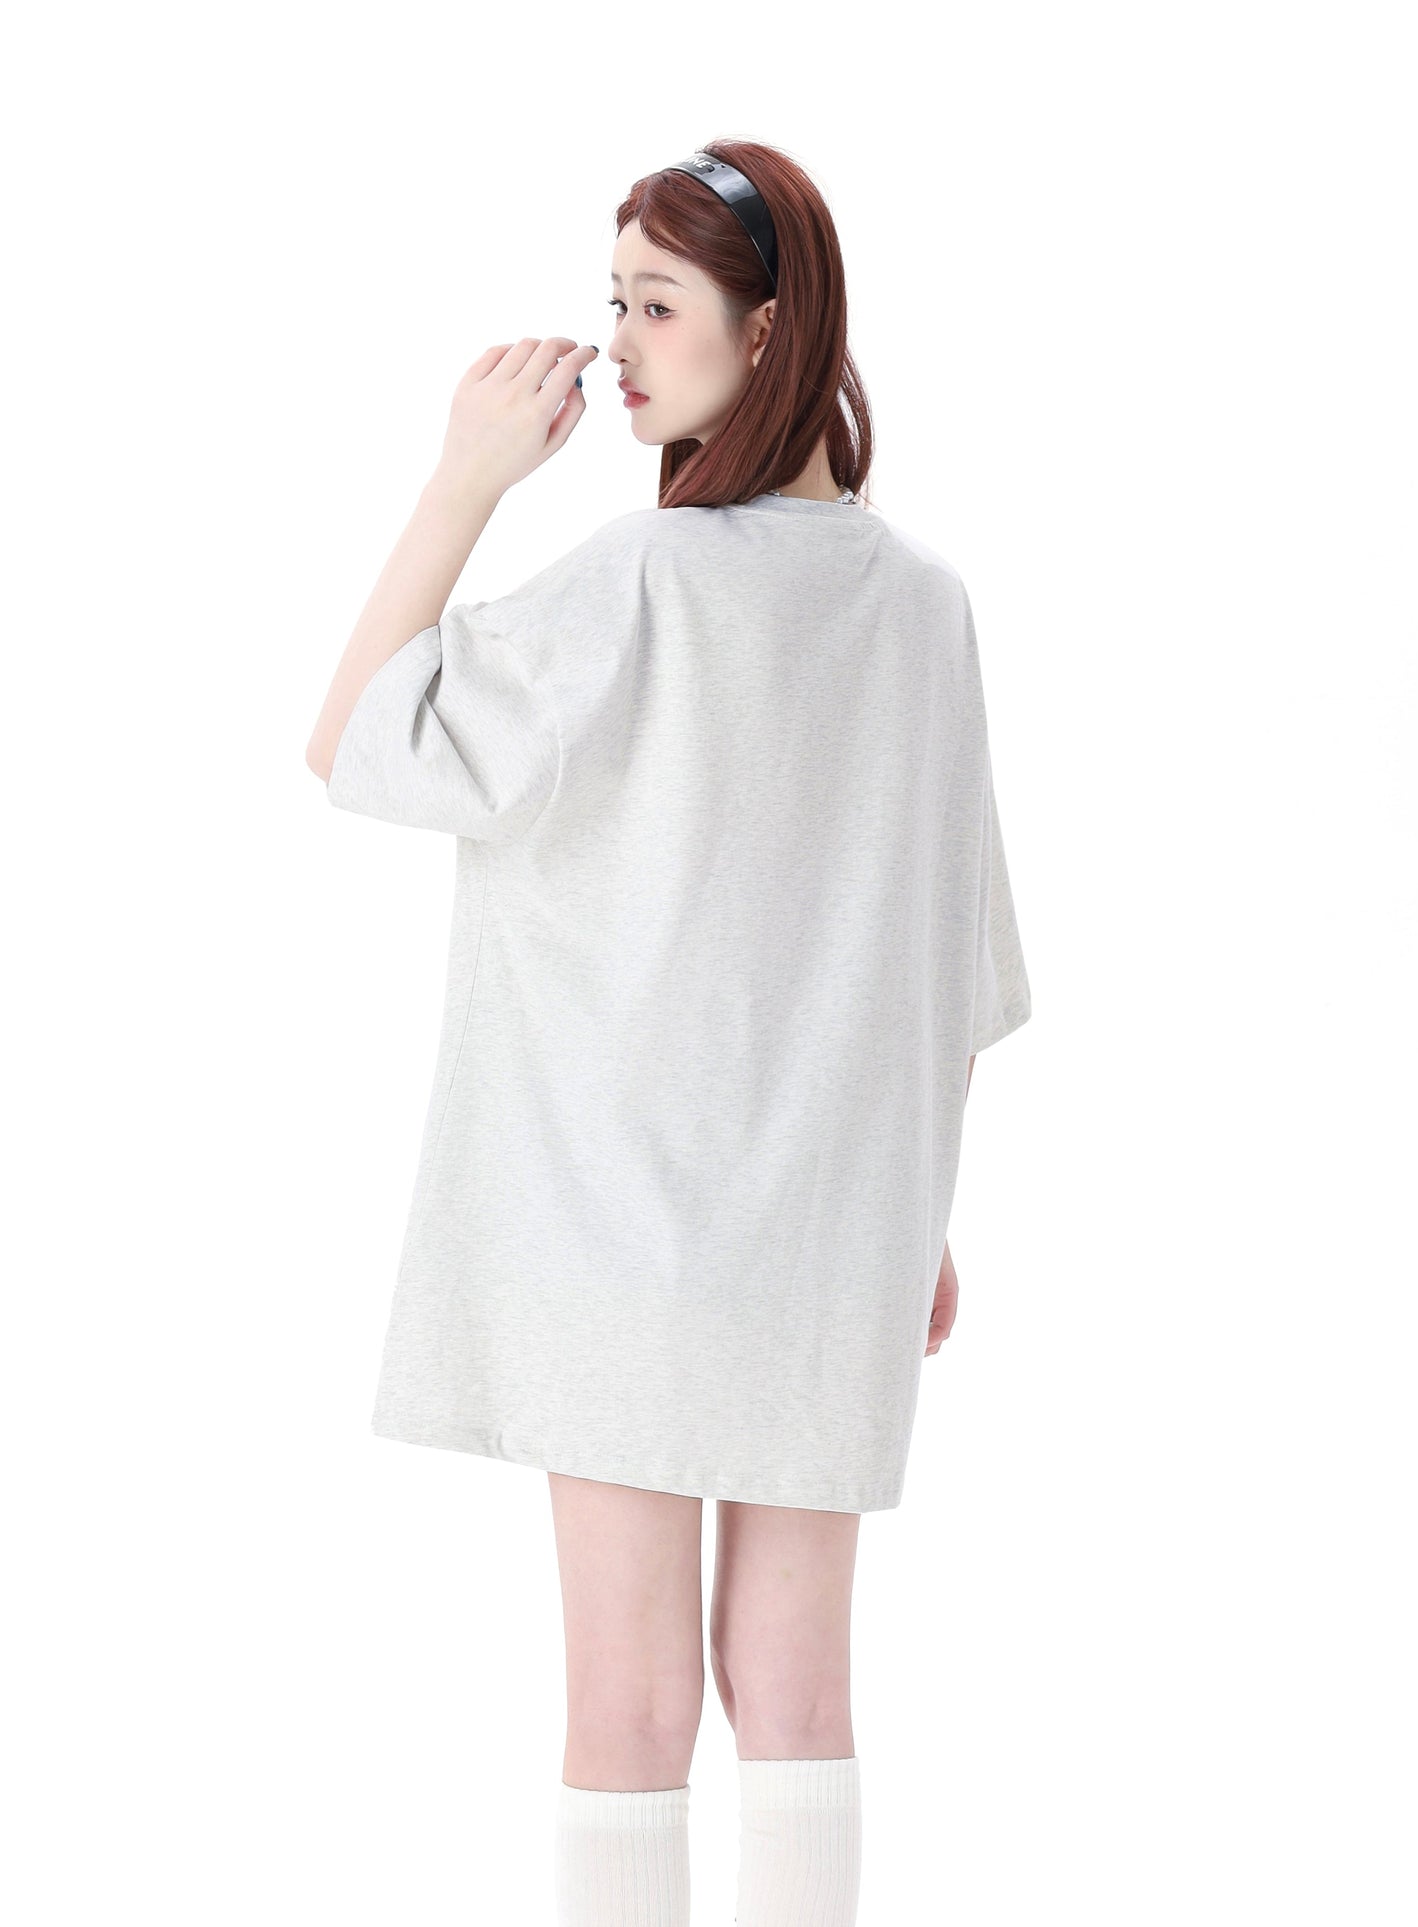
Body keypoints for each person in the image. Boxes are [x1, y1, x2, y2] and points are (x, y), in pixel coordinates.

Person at [305, 138, 1031, 1927]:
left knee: (626, 1709)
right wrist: (917, 1216)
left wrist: (466, 476)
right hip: (832, 1227)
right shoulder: (922, 605)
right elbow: (943, 954)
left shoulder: (641, 578)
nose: (615, 346)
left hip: (619, 1225)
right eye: (611, 301)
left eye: (654, 305)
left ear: (765, 329)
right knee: (797, 1693)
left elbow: (357, 743)